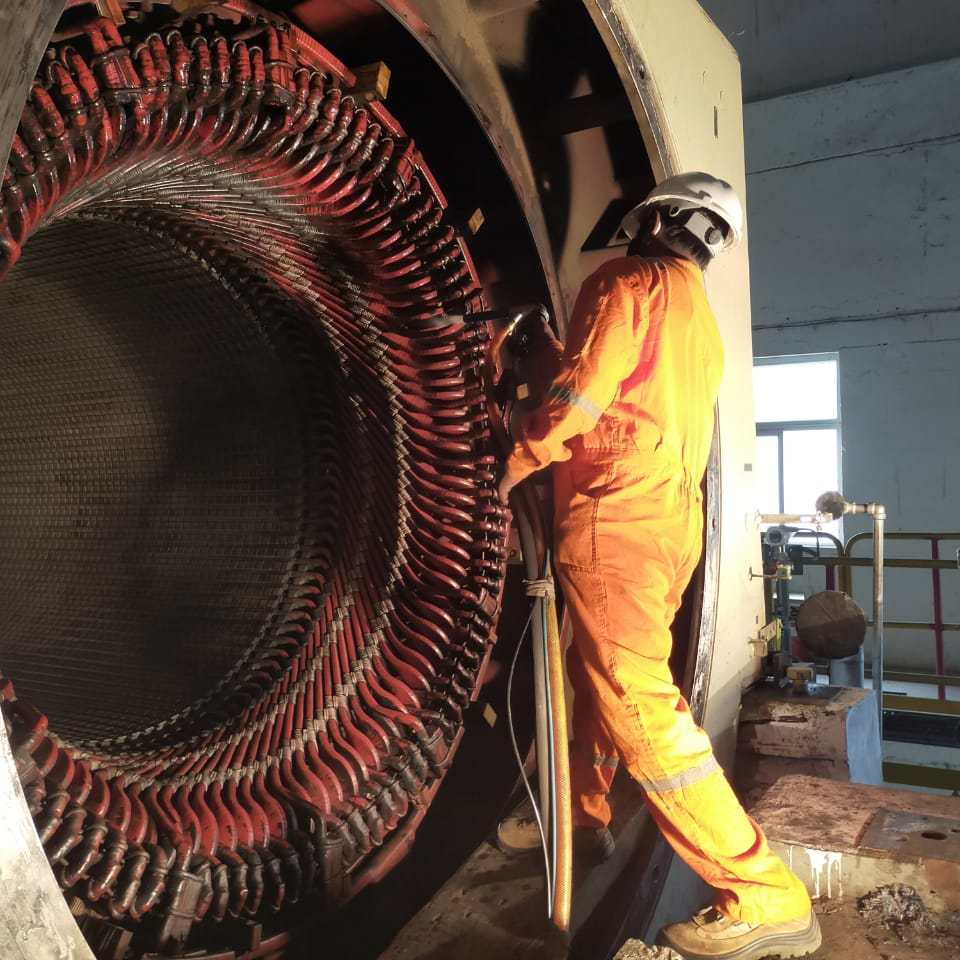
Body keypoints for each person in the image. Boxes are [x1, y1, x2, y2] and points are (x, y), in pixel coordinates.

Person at [497, 173, 820, 960]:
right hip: (668, 525)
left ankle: (762, 893)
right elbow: (626, 395)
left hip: (615, 519)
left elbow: (581, 401)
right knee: (596, 678)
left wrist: (508, 467)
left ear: (658, 218)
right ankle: (585, 816)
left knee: (635, 702)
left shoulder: (626, 281)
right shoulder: (696, 316)